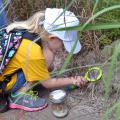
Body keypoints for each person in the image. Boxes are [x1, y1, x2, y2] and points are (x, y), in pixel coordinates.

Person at [0, 8, 87, 112]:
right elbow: (48, 83)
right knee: (41, 67)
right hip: (4, 83)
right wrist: (73, 80)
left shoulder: (28, 30)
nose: (62, 48)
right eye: (63, 43)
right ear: (52, 38)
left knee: (41, 67)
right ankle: (18, 95)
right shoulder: (33, 52)